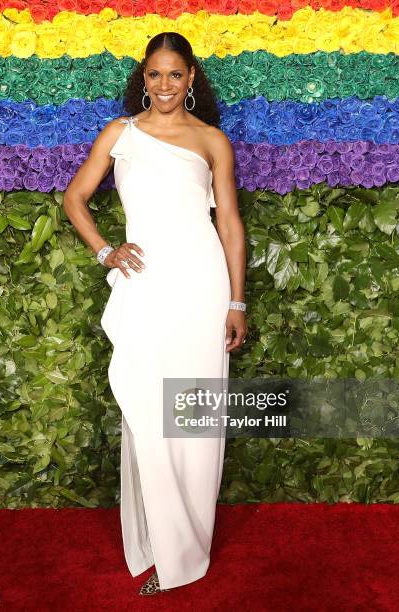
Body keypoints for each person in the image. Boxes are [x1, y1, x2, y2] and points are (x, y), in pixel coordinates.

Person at [63, 31, 247, 596]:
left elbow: (230, 225)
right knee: (149, 407)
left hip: (201, 287)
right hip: (145, 286)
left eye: (175, 74)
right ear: (142, 79)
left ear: (191, 79)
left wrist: (237, 299)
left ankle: (184, 556)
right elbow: (75, 198)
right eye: (153, 75)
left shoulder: (213, 140)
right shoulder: (120, 135)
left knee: (194, 417)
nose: (164, 85)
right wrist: (105, 252)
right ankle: (158, 541)